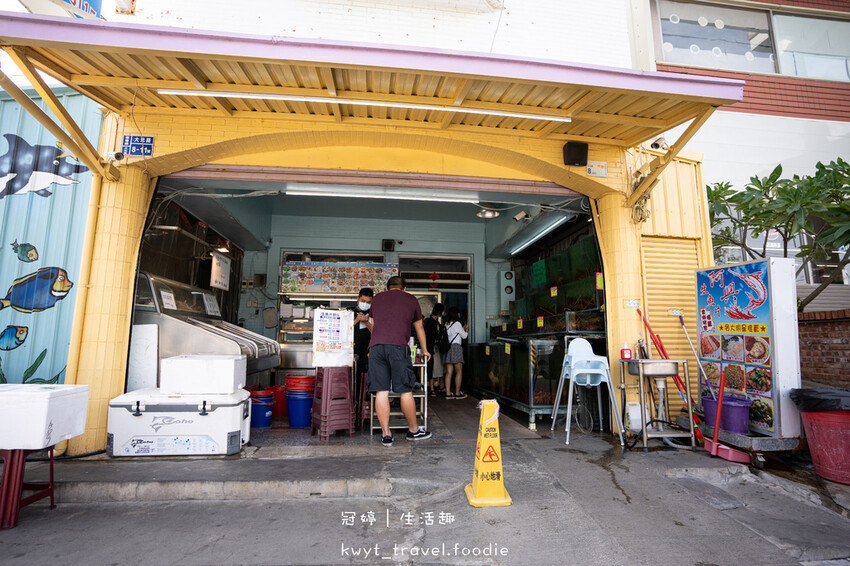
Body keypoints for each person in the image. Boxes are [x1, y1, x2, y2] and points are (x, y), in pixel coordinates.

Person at [368, 276, 432, 446]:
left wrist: (372, 348)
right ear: (404, 288)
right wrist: (424, 350)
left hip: (376, 348)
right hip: (398, 348)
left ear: (387, 287)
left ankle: (386, 434)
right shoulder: (411, 299)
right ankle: (413, 431)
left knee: (381, 391)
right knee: (405, 390)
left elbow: (374, 326)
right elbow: (419, 328)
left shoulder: (377, 299)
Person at [351, 288, 373, 410]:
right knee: (353, 383)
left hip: (367, 355)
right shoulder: (349, 312)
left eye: (368, 302)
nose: (365, 303)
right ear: (358, 299)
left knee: (365, 384)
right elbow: (342, 330)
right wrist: (356, 321)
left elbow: (377, 332)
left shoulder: (373, 315)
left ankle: (363, 408)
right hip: (351, 355)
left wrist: (367, 322)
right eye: (363, 300)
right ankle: (353, 407)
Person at [443, 306, 469, 399]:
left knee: (449, 372)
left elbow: (453, 333)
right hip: (456, 348)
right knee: (459, 371)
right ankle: (457, 393)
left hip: (448, 348)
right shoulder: (457, 323)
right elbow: (464, 336)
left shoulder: (447, 323)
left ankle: (448, 393)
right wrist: (466, 329)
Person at [422, 303, 445, 396]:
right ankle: (432, 388)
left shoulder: (432, 321)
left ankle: (435, 387)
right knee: (431, 368)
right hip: (431, 348)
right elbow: (434, 335)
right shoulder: (432, 322)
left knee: (434, 368)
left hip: (432, 348)